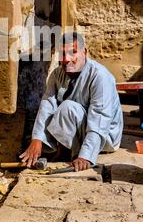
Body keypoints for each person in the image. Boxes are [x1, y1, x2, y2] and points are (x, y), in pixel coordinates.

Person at [19, 32, 123, 171]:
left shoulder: (100, 76)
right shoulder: (56, 74)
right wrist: (37, 139)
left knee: (67, 107)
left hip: (104, 136)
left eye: (72, 52)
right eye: (62, 54)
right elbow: (46, 105)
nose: (66, 59)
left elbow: (100, 118)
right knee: (61, 109)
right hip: (79, 127)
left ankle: (69, 153)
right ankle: (63, 151)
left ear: (84, 52)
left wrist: (85, 156)